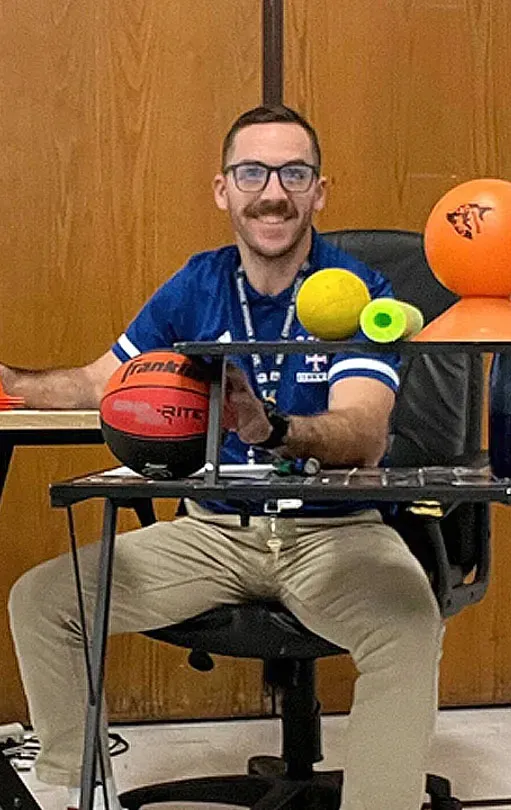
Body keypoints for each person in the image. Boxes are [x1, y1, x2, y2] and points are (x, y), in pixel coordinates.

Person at [6, 105, 443, 810]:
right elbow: (100, 381)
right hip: (213, 532)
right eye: (252, 173)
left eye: (293, 173)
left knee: (408, 626)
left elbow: (362, 431)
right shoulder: (197, 284)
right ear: (223, 189)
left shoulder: (357, 292)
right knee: (45, 601)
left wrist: (272, 429)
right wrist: (13, 383)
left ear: (319, 191)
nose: (272, 192)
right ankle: (75, 792)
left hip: (335, 532)